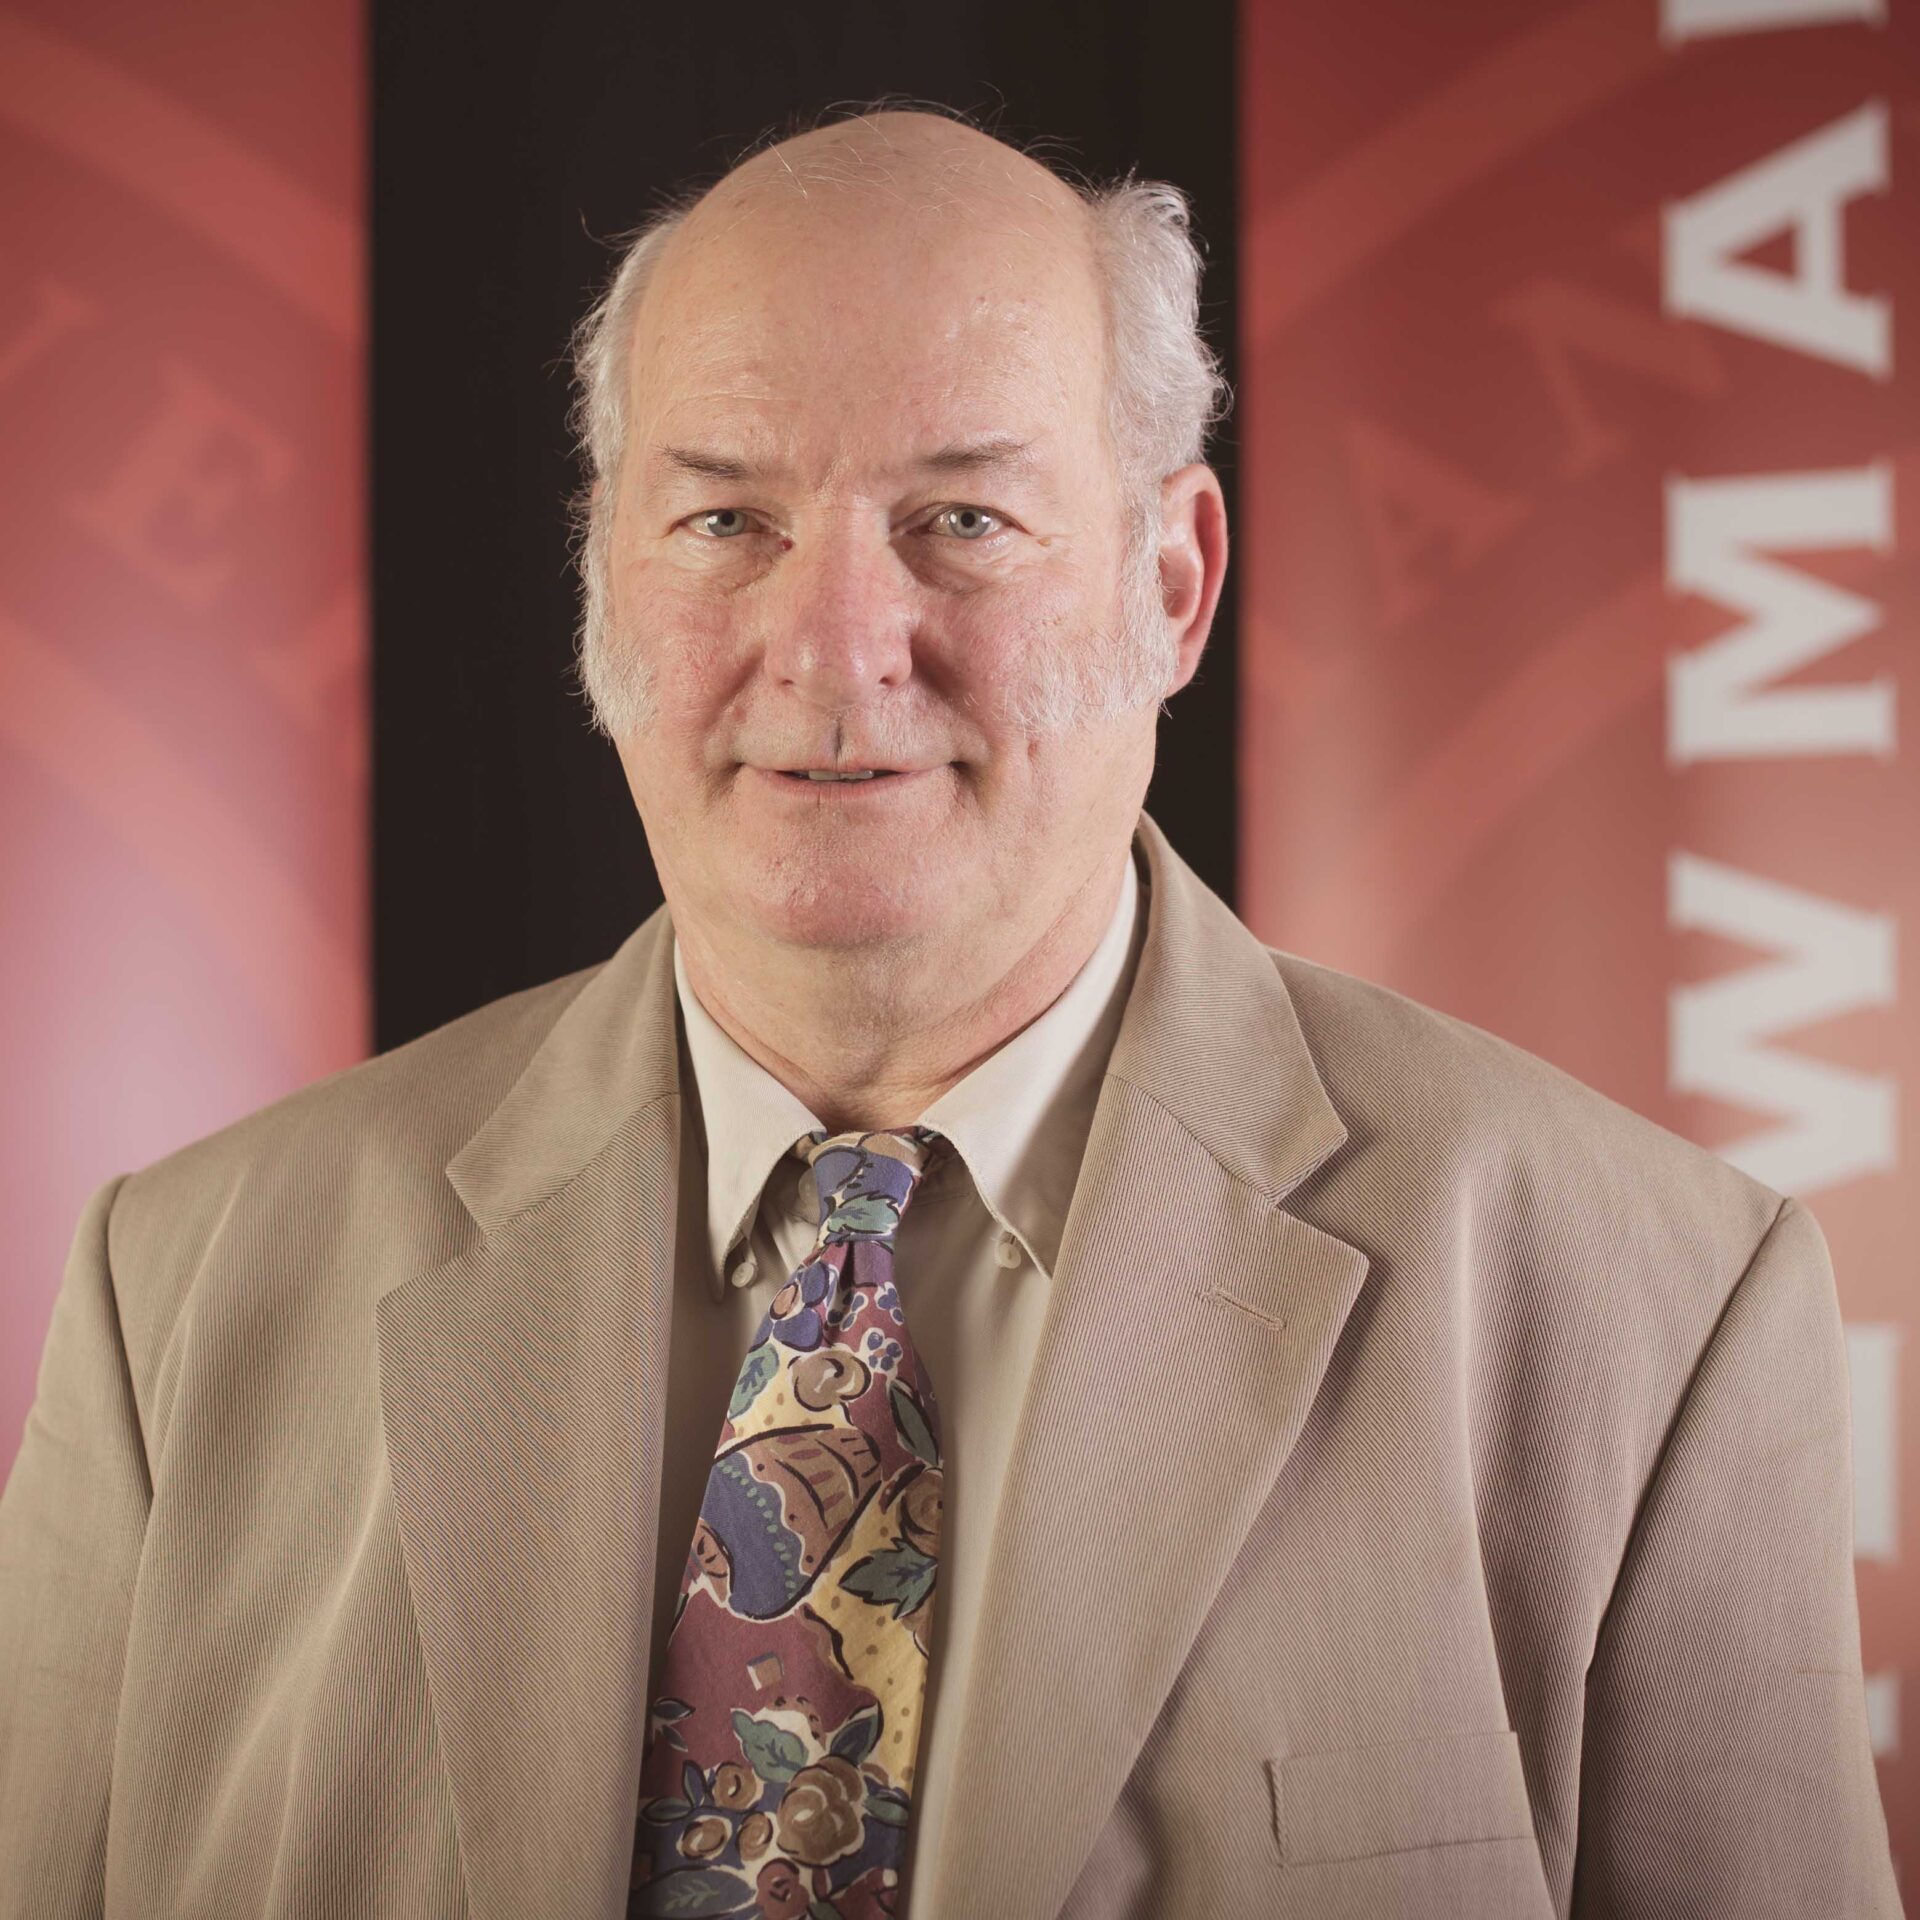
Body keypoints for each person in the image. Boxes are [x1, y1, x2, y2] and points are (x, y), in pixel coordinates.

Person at [0, 101, 1901, 1920]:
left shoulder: (1652, 1316)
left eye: (962, 520)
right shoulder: (180, 1299)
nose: (834, 650)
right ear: (600, 580)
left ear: (1175, 584)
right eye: (725, 521)